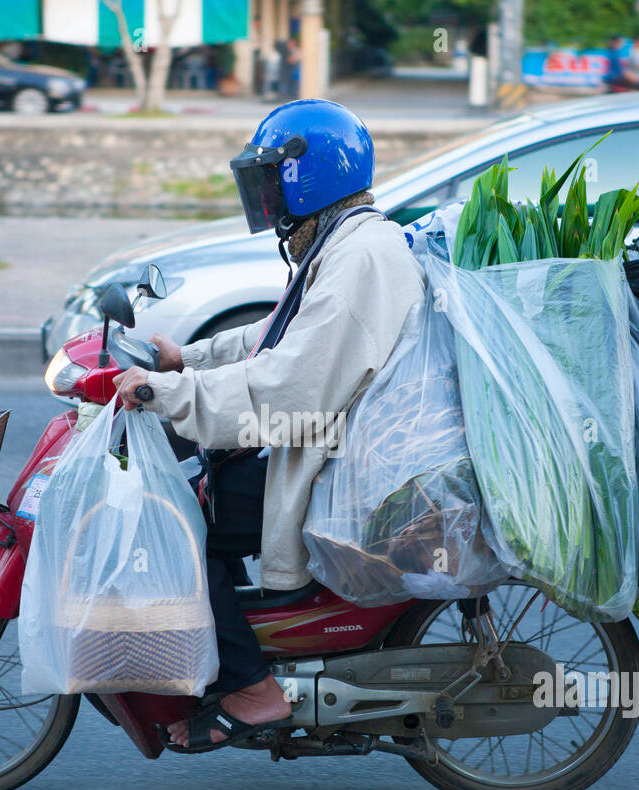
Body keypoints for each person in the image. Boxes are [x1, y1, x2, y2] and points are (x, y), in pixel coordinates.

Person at [112, 100, 426, 751]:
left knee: (169, 521)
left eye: (268, 178)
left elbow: (291, 386)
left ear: (303, 177)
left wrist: (170, 394)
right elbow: (276, 341)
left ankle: (251, 687)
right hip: (332, 448)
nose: (262, 194)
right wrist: (186, 361)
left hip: (337, 472)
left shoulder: (357, 257)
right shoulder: (345, 240)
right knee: (187, 495)